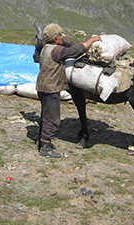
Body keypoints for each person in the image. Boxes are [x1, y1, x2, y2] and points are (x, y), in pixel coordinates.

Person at [36, 23, 101, 158]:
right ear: (55, 38)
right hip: (51, 88)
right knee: (52, 117)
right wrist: (92, 40)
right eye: (60, 35)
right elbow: (76, 50)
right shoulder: (56, 51)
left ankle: (42, 141)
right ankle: (45, 147)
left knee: (45, 114)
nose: (62, 37)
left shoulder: (45, 48)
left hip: (42, 86)